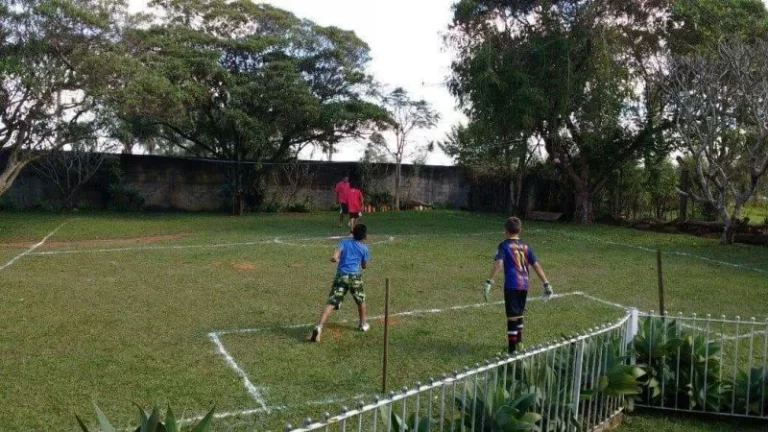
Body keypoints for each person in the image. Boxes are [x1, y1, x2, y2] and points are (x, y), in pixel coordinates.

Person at [483, 217, 553, 354]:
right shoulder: (526, 246)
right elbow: (536, 265)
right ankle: (519, 343)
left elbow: (498, 263)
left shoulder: (504, 245)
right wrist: (546, 283)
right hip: (524, 284)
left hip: (512, 285)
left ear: (505, 231)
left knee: (512, 317)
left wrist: (489, 282)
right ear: (520, 230)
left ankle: (511, 350)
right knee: (519, 314)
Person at [311, 224, 371, 342]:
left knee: (332, 302)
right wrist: (362, 262)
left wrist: (335, 258)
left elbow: (335, 256)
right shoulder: (364, 249)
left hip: (341, 276)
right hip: (355, 277)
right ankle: (363, 324)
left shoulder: (344, 242)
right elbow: (364, 266)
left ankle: (319, 326)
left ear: (352, 233)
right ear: (364, 236)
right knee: (361, 300)